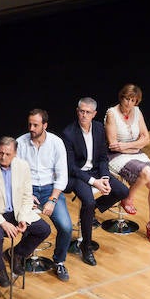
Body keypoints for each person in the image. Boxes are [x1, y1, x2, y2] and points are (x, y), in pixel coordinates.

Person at [0, 137, 51, 287]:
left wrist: (22, 218)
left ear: (15, 153)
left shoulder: (23, 166)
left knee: (43, 229)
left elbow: (27, 195)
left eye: (7, 154)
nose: (3, 157)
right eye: (0, 153)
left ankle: (16, 254)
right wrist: (3, 223)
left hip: (17, 211)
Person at [61, 97, 129, 265]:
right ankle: (86, 247)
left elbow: (103, 158)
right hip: (78, 176)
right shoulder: (68, 133)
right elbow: (71, 168)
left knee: (122, 191)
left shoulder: (99, 128)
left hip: (97, 171)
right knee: (89, 203)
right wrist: (94, 182)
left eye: (87, 112)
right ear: (77, 112)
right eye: (81, 111)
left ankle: (91, 213)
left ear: (94, 114)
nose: (84, 115)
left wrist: (105, 178)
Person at [16, 109, 72, 281]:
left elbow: (62, 176)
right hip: (29, 189)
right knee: (28, 225)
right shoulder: (20, 143)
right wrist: (26, 195)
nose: (31, 128)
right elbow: (16, 174)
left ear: (45, 126)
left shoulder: (56, 143)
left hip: (50, 189)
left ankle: (59, 261)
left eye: (36, 125)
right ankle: (19, 259)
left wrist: (52, 200)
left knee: (66, 227)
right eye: (30, 125)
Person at [105, 84, 150, 244]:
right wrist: (136, 144)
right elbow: (113, 144)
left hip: (134, 153)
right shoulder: (112, 113)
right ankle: (128, 199)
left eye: (133, 100)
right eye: (127, 99)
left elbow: (147, 139)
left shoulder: (137, 112)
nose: (129, 103)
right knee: (147, 173)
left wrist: (128, 146)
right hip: (116, 156)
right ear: (121, 98)